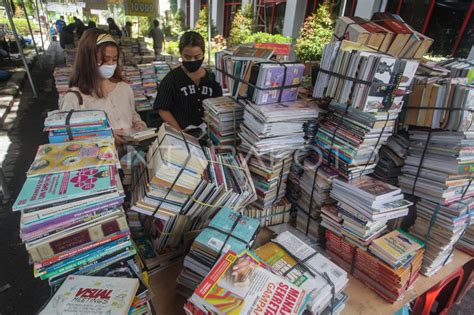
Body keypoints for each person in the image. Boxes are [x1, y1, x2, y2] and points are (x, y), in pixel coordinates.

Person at [60, 29, 147, 145]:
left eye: (115, 59)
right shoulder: (75, 97)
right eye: (105, 59)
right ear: (88, 59)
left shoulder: (124, 88)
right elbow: (67, 140)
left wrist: (138, 124)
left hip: (129, 156)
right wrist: (106, 135)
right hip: (100, 161)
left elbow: (132, 114)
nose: (111, 64)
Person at [154, 31, 222, 131]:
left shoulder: (212, 79)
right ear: (181, 54)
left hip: (209, 134)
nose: (192, 61)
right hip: (181, 134)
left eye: (197, 57)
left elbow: (219, 105)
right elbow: (162, 109)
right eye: (187, 57)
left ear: (203, 54)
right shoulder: (171, 79)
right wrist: (180, 132)